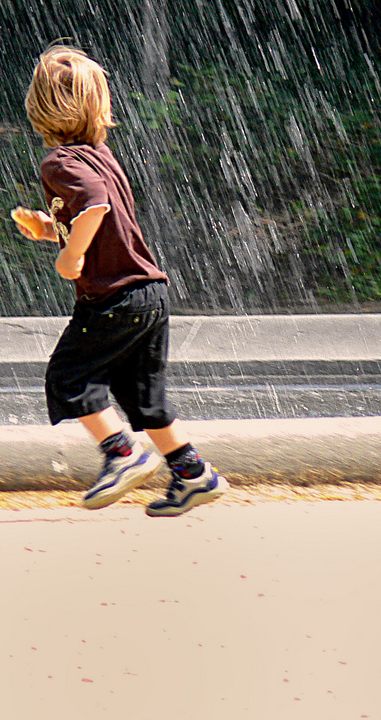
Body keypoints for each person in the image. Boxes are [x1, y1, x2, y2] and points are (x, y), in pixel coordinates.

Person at [12, 45, 227, 517]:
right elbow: (102, 217)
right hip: (150, 292)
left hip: (113, 298)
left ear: (41, 107)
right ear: (98, 107)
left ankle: (121, 453)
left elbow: (94, 207)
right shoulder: (101, 156)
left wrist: (70, 255)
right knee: (142, 397)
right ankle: (192, 472)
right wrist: (50, 231)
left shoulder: (59, 163)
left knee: (69, 378)